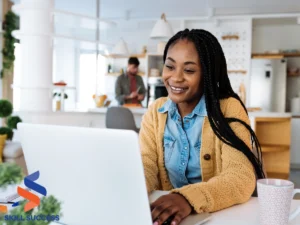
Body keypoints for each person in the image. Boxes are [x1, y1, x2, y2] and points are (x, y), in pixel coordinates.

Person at [139, 29, 265, 225]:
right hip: (168, 216)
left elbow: (240, 177)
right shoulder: (156, 110)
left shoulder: (228, 108)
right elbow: (146, 167)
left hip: (217, 216)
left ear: (208, 74)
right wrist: (129, 189)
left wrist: (186, 198)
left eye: (189, 70)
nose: (176, 78)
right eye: (170, 66)